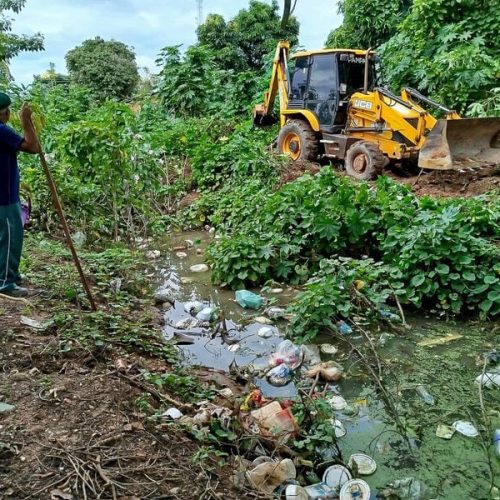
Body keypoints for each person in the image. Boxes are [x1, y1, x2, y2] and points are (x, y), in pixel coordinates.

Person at [0, 92, 40, 297]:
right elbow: (32, 146)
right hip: (4, 197)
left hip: (6, 195)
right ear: (4, 113)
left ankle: (10, 274)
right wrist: (26, 121)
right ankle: (5, 282)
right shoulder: (1, 131)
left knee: (6, 237)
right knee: (10, 238)